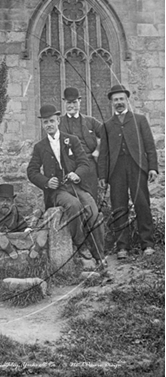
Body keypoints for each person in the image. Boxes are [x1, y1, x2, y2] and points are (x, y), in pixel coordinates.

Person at [27, 104, 106, 268]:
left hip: (76, 187)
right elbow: (32, 171)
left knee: (92, 210)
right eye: (45, 122)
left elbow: (84, 163)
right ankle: (81, 245)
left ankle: (99, 255)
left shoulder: (72, 140)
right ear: (42, 124)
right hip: (56, 192)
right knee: (73, 205)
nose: (49, 124)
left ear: (58, 121)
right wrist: (46, 182)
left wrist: (77, 174)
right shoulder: (40, 147)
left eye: (51, 121)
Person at [98, 84, 158, 260]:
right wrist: (102, 175)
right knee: (119, 207)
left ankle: (147, 243)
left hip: (137, 167)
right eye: (115, 100)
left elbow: (150, 145)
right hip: (116, 170)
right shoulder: (107, 126)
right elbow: (103, 154)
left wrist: (153, 167)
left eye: (121, 99)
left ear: (127, 100)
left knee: (142, 204)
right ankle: (122, 246)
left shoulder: (139, 120)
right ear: (111, 103)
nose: (118, 102)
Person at [59, 87, 102, 200]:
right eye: (69, 102)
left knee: (91, 198)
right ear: (64, 102)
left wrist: (97, 150)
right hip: (68, 165)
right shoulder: (59, 123)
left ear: (80, 101)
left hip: (89, 165)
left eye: (74, 102)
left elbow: (107, 134)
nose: (71, 106)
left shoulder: (90, 121)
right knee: (72, 200)